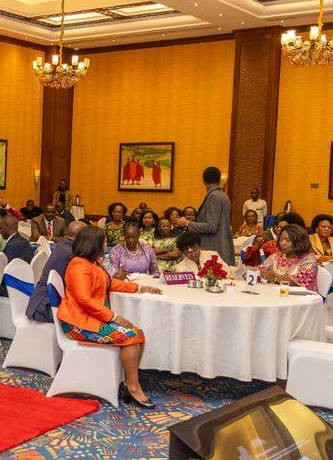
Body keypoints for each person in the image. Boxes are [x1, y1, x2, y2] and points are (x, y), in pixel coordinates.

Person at [57, 226, 161, 408]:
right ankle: (133, 386)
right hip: (79, 324)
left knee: (138, 333)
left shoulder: (95, 262)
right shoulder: (78, 265)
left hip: (96, 318)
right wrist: (114, 317)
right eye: (104, 241)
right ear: (94, 243)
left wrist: (139, 288)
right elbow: (84, 300)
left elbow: (110, 283)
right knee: (131, 336)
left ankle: (129, 381)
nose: (106, 244)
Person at [26, 221, 86, 322]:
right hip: (45, 306)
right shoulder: (70, 253)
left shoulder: (64, 245)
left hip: (43, 300)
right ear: (83, 237)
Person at [174, 167, 234, 265]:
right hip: (222, 243)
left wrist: (187, 223)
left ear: (203, 181)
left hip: (214, 245)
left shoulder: (214, 196)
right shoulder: (223, 195)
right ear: (219, 180)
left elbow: (212, 226)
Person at [261, 225, 319, 291]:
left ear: (298, 241)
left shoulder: (309, 259)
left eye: (287, 240)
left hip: (302, 298)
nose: (282, 243)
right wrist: (255, 271)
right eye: (280, 240)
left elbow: (301, 280)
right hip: (277, 295)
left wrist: (275, 277)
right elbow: (261, 270)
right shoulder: (275, 257)